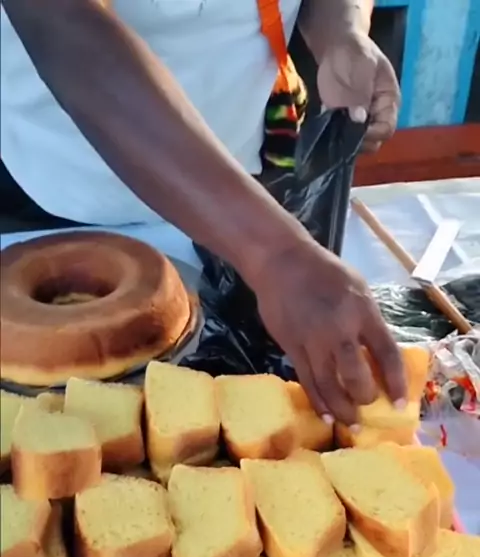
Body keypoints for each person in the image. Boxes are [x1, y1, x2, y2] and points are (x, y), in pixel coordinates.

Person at [1, 0, 406, 425]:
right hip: (54, 197)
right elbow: (66, 28)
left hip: (239, 202)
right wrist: (275, 253)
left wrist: (342, 30)